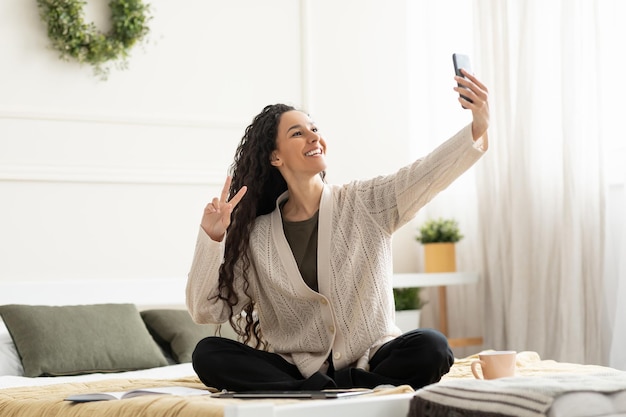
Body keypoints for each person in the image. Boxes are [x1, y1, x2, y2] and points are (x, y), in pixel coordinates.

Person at [186, 69, 489, 391]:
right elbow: (207, 310)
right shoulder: (257, 236)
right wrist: (213, 238)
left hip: (373, 357)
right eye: (297, 133)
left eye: (314, 129)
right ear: (275, 156)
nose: (314, 137)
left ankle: (320, 391)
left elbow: (426, 174)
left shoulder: (366, 202)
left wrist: (478, 126)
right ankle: (339, 389)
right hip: (295, 367)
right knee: (208, 354)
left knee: (432, 347)